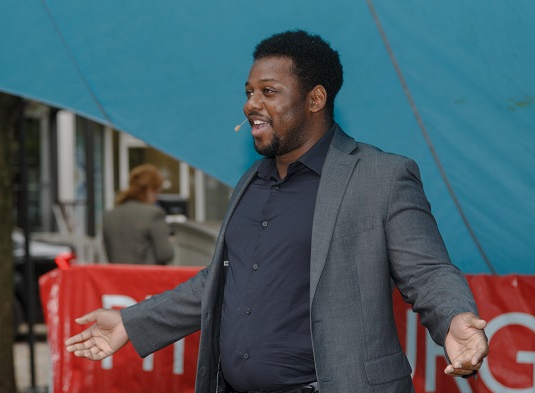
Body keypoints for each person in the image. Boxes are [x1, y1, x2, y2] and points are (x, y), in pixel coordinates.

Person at [66, 30, 488, 393]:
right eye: (249, 92)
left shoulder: (381, 176)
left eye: (269, 91)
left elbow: (427, 271)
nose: (252, 104)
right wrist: (130, 322)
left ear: (315, 99)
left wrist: (453, 317)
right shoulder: (251, 182)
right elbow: (219, 284)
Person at [102, 163, 174, 265]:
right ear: (149, 190)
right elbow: (165, 254)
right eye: (156, 192)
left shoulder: (109, 215)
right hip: (147, 278)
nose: (156, 198)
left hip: (119, 279)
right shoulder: (154, 214)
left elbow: (110, 255)